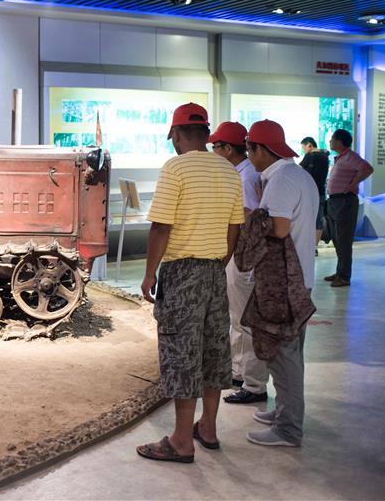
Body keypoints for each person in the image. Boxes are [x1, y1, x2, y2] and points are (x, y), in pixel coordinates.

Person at [136, 103, 244, 463]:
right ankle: (208, 428)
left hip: (183, 272)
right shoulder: (229, 171)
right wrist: (218, 262)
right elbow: (234, 227)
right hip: (215, 271)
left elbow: (161, 226)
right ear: (207, 134)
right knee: (213, 348)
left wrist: (150, 272)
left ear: (177, 134)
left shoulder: (176, 167)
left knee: (181, 353)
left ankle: (182, 440)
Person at [244, 120, 319, 447]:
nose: (249, 157)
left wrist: (247, 218)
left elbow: (277, 228)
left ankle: (288, 428)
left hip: (284, 283)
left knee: (282, 353)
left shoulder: (282, 180)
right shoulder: (297, 175)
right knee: (289, 352)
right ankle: (284, 413)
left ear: (260, 149)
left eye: (250, 149)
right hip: (297, 279)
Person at [209, 122, 269, 405]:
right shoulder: (240, 173)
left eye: (215, 146)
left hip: (243, 256)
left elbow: (251, 219)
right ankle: (239, 371)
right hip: (237, 253)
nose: (212, 150)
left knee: (246, 320)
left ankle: (255, 384)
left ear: (227, 148)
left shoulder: (245, 178)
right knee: (236, 317)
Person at [325, 129, 374, 287]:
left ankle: (345, 276)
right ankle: (340, 272)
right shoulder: (341, 158)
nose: (330, 141)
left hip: (344, 201)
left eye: (332, 139)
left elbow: (367, 168)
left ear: (339, 141)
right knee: (337, 239)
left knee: (344, 240)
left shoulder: (350, 156)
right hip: (335, 201)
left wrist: (353, 184)